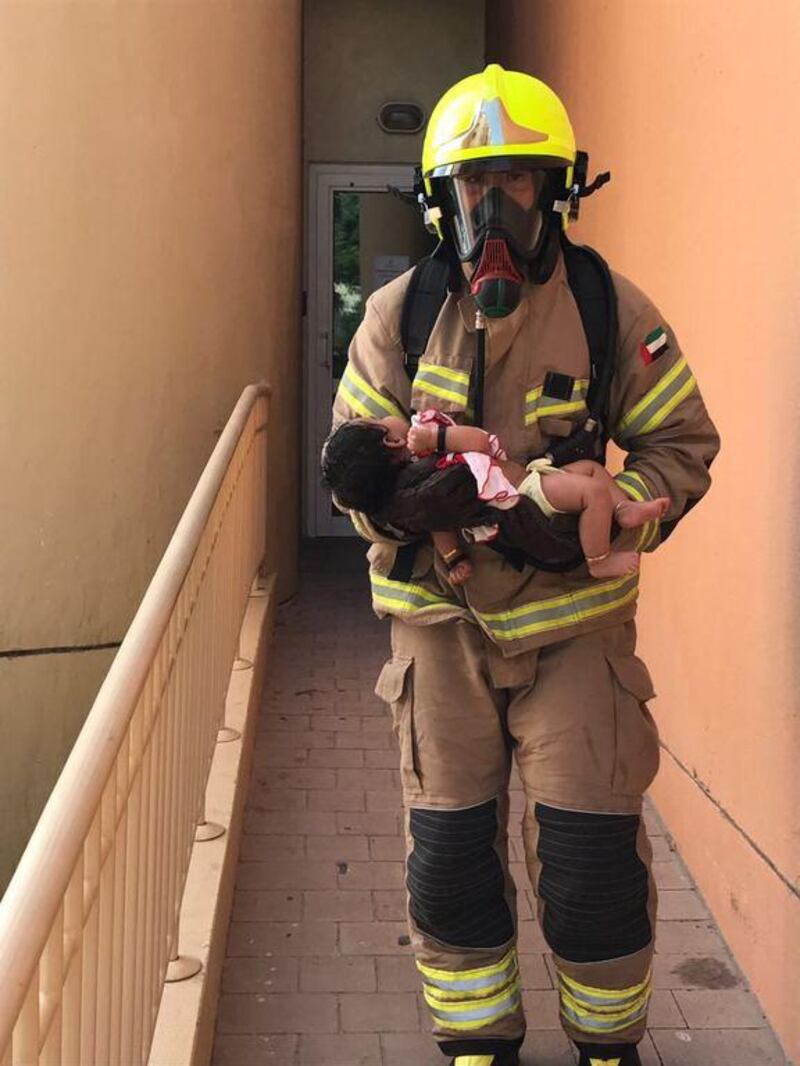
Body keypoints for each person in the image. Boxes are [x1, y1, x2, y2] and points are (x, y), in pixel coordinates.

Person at [328, 64, 720, 1066]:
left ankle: (605, 1045)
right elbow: (351, 462)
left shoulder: (607, 309)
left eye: (517, 181)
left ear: (558, 190)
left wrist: (620, 515)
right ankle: (475, 1043)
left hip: (574, 641)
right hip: (438, 630)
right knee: (450, 859)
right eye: (472, 185)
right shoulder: (396, 317)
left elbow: (680, 443)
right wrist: (397, 499)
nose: (494, 207)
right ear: (439, 198)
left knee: (591, 866)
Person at [322, 410, 669, 585]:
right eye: (377, 420)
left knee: (590, 470)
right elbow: (479, 442)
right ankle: (599, 561)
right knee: (592, 491)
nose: (386, 414)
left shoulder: (413, 487)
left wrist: (454, 558)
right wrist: (438, 437)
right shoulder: (429, 470)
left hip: (532, 478)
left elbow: (439, 526)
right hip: (527, 496)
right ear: (393, 442)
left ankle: (624, 509)